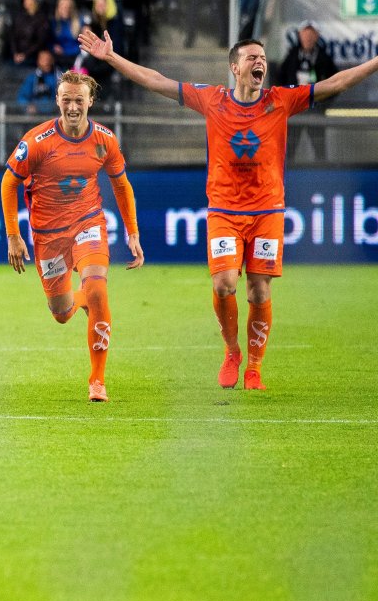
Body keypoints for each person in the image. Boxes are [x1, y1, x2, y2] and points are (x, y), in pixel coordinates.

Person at [78, 29, 378, 390]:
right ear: (235, 67)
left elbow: (335, 83)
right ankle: (232, 351)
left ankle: (254, 368)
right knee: (224, 285)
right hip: (224, 210)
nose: (259, 62)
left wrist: (375, 62)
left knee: (259, 291)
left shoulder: (280, 100)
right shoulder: (212, 99)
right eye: (252, 58)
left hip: (267, 212)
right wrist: (111, 57)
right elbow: (157, 81)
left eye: (262, 58)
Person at [1, 71, 143, 402]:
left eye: (79, 100)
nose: (73, 106)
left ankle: (97, 380)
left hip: (87, 222)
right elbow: (9, 183)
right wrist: (13, 236)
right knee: (62, 313)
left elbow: (121, 185)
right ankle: (82, 299)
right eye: (66, 99)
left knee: (97, 288)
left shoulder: (105, 139)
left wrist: (133, 232)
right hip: (48, 234)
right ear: (57, 101)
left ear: (91, 101)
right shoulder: (37, 141)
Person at [275, 21, 339, 161]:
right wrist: (285, 101)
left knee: (319, 147)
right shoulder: (292, 56)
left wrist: (323, 103)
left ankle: (321, 171)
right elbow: (279, 79)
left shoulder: (323, 58)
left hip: (314, 109)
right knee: (290, 147)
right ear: (299, 35)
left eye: (311, 35)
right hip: (294, 109)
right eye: (305, 34)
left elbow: (336, 83)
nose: (308, 38)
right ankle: (287, 172)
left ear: (317, 36)